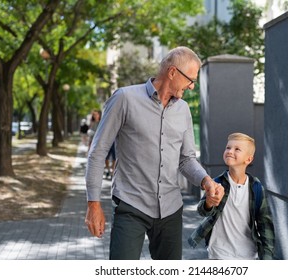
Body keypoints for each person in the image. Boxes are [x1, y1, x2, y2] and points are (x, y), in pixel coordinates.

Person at [85, 46, 224, 260]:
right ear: (172, 72)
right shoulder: (125, 98)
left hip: (170, 209)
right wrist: (93, 204)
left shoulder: (183, 110)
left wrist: (206, 181)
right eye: (190, 79)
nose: (192, 86)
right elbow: (98, 151)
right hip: (131, 205)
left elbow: (186, 159)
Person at [188, 132, 275, 260]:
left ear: (248, 159)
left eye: (237, 149)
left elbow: (265, 225)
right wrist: (209, 203)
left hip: (248, 254)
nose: (230, 151)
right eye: (228, 147)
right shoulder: (216, 183)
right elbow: (202, 211)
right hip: (219, 253)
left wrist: (267, 258)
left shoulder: (256, 188)